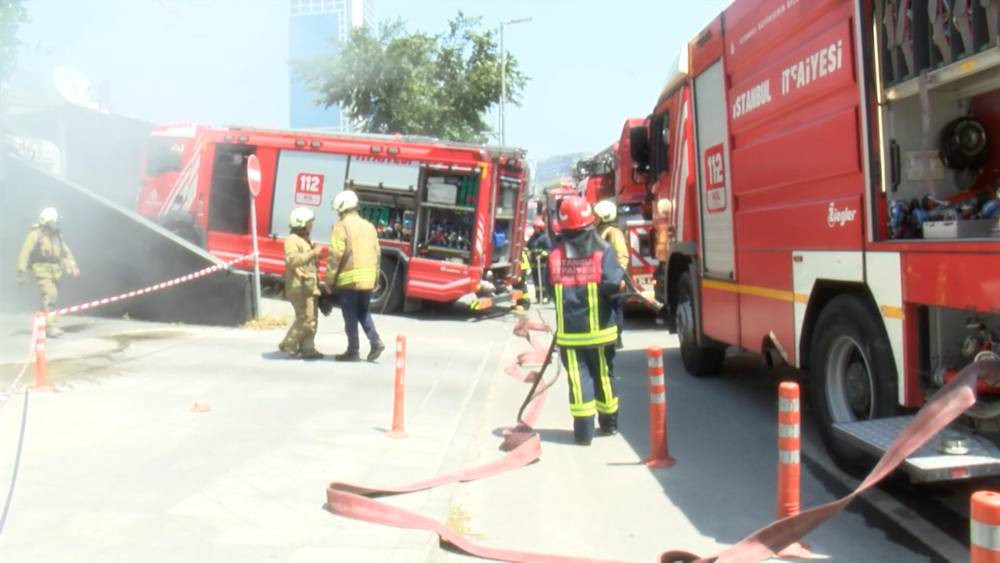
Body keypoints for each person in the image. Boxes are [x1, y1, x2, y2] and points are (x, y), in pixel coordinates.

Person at [548, 196, 626, 446]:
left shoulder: (555, 256)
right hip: (601, 332)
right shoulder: (603, 251)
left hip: (570, 334)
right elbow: (615, 285)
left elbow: (551, 291)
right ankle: (609, 425)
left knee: (578, 380)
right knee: (603, 374)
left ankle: (583, 434)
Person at [326, 190, 385, 362]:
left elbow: (335, 255)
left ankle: (353, 351)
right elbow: (378, 254)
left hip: (349, 280)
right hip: (367, 279)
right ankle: (375, 341)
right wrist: (375, 278)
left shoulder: (341, 226)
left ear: (343, 208)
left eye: (338, 210)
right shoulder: (370, 226)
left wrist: (329, 280)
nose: (338, 214)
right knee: (363, 311)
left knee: (350, 315)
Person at [17, 207, 79, 337]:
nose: (56, 224)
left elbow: (65, 252)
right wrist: (21, 272)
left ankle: (40, 322)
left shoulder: (57, 236)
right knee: (50, 295)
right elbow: (25, 253)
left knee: (51, 297)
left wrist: (72, 266)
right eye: (54, 221)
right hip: (41, 271)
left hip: (55, 271)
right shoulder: (35, 234)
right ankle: (51, 327)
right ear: (46, 222)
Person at [279, 207, 324, 359]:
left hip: (308, 286)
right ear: (302, 224)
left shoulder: (305, 240)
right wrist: (312, 252)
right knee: (306, 319)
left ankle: (308, 349)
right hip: (299, 286)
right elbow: (292, 260)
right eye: (309, 223)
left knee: (312, 318)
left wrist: (315, 256)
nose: (312, 225)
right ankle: (288, 344)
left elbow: (307, 262)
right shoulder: (292, 240)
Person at [593, 200, 629, 350]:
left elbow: (622, 255)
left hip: (613, 277)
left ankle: (617, 337)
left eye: (596, 215)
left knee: (615, 308)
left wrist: (618, 277)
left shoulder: (614, 233)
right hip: (601, 277)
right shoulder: (597, 231)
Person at [525, 217, 552, 304]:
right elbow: (528, 245)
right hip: (534, 263)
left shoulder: (544, 238)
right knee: (536, 281)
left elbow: (549, 249)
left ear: (541, 228)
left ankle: (545, 297)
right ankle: (538, 297)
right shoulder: (533, 237)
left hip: (542, 263)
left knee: (543, 281)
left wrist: (541, 255)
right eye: (535, 227)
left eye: (537, 228)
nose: (535, 229)